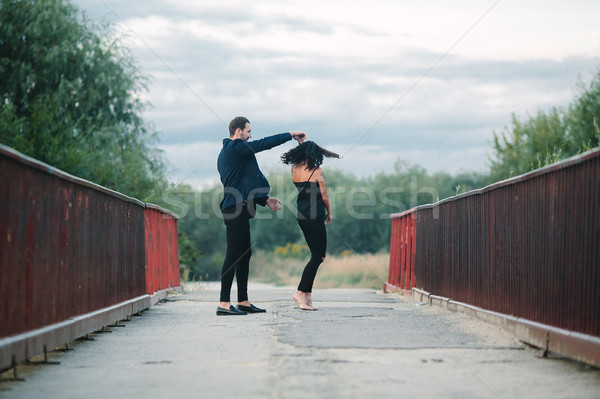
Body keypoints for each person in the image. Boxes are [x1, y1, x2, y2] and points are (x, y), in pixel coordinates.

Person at [216, 116, 306, 316]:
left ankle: (243, 301)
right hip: (234, 208)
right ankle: (223, 303)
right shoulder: (234, 148)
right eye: (248, 131)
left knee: (244, 254)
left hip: (239, 207)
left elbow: (242, 184)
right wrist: (290, 134)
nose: (250, 135)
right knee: (233, 254)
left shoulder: (233, 153)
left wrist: (263, 199)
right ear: (238, 131)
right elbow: (263, 144)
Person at [281, 141, 339, 310]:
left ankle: (307, 297)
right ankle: (300, 292)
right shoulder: (317, 171)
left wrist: (302, 143)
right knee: (318, 256)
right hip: (315, 215)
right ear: (315, 154)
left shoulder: (294, 169)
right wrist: (329, 212)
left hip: (302, 215)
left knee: (316, 255)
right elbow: (325, 196)